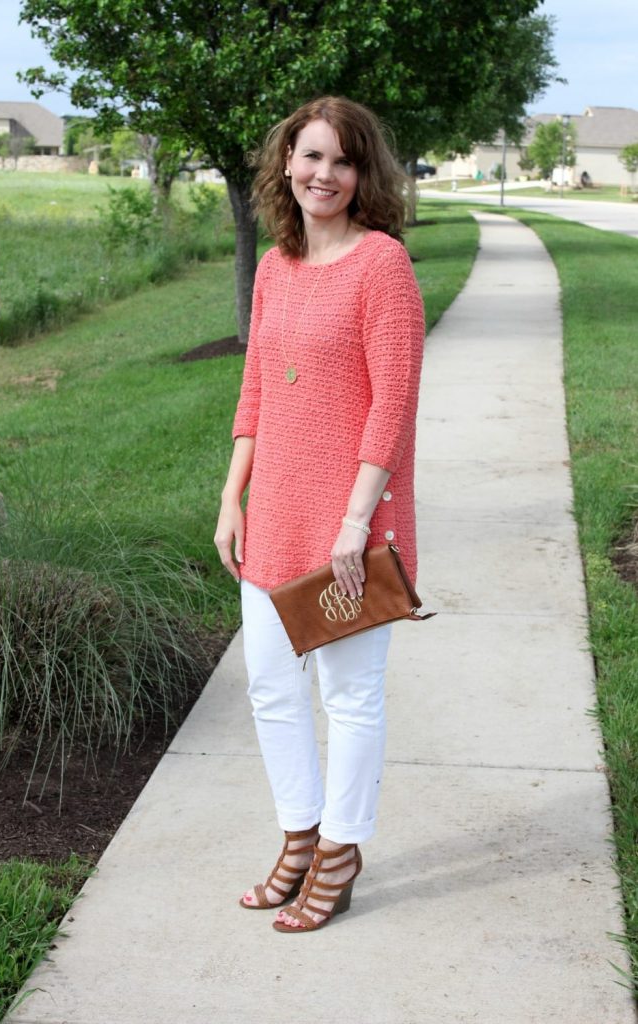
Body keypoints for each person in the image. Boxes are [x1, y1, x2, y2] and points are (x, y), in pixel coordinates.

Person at [214, 95, 425, 933]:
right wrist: (233, 495)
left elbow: (392, 405)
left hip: (351, 520)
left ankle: (341, 848)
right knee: (270, 686)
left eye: (341, 160)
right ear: (286, 165)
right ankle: (299, 836)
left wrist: (354, 523)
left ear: (362, 172)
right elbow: (256, 391)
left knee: (348, 693)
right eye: (309, 157)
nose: (323, 174)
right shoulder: (275, 264)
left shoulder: (382, 267)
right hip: (273, 513)